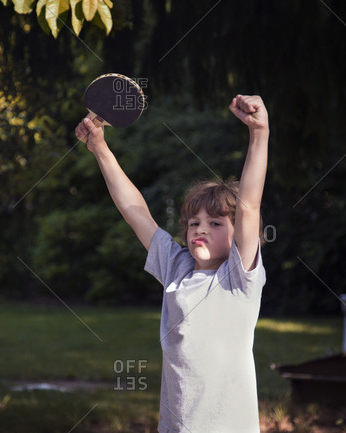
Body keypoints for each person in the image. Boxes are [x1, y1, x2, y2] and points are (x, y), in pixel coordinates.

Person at [75, 94, 269, 433]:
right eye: (194, 223)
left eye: (215, 223)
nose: (200, 229)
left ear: (239, 234)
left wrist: (259, 133)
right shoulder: (176, 269)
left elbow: (249, 206)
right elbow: (135, 212)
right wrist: (100, 149)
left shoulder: (239, 279)